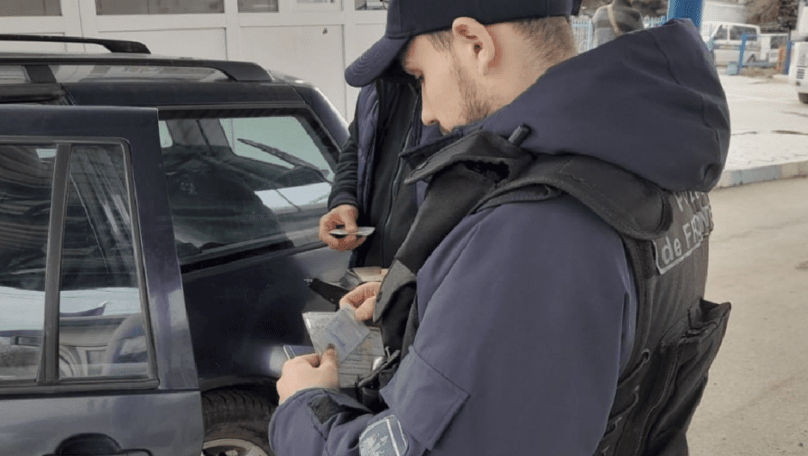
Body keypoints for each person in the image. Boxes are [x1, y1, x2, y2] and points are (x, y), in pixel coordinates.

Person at [270, 1, 732, 455]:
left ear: (475, 43)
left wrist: (305, 407)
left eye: (420, 77)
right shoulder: (650, 161)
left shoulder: (538, 229)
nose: (426, 113)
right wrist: (432, 295)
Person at [318, 77, 430, 269]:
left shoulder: (466, 89)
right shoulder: (377, 83)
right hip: (371, 266)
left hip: (424, 271)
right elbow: (356, 148)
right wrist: (344, 200)